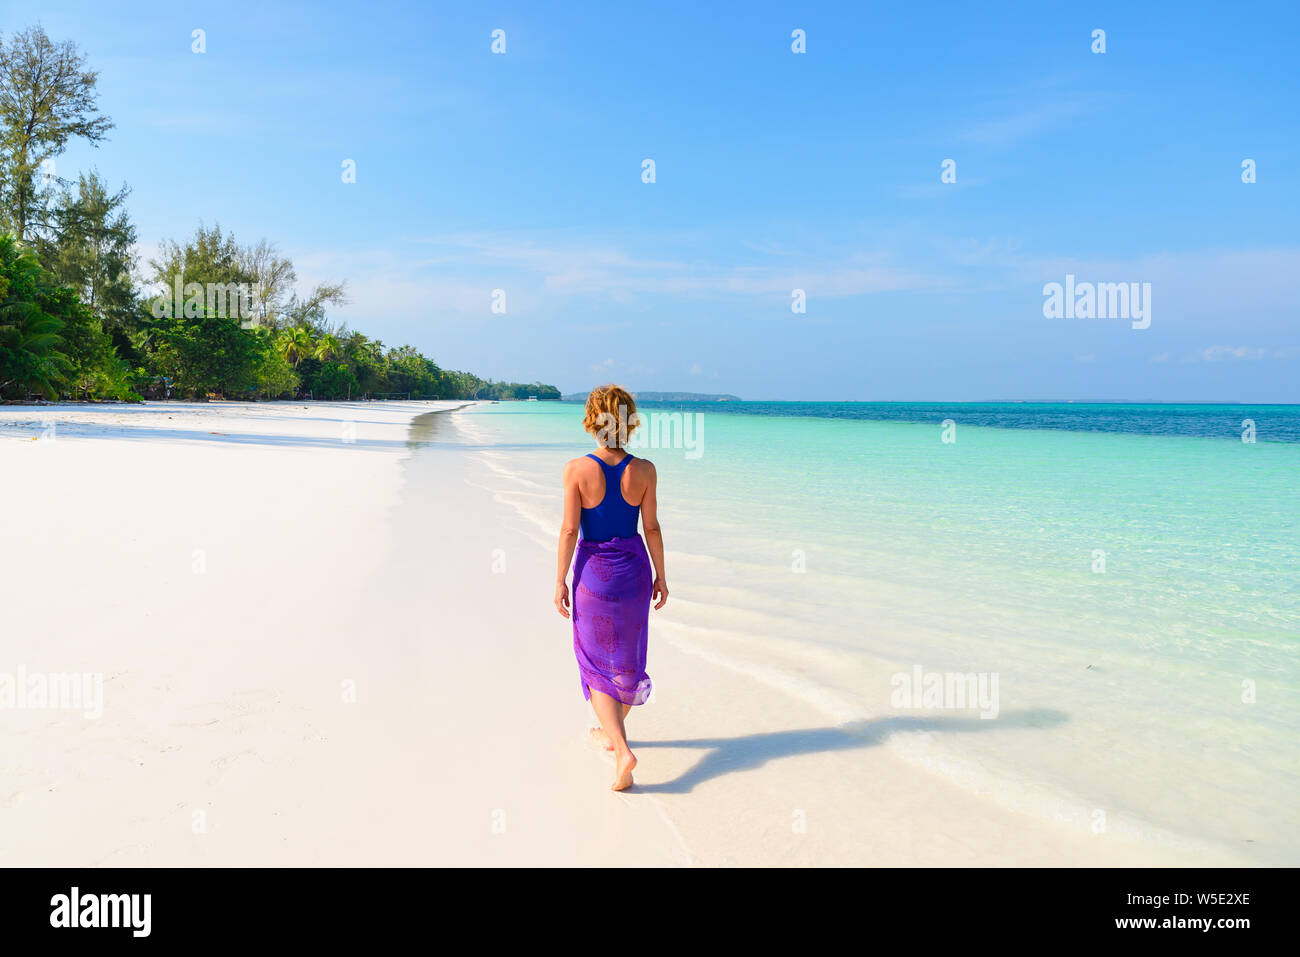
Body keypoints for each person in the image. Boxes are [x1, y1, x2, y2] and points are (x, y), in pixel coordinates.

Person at [554, 385, 668, 790]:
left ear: (591, 420)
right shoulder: (646, 470)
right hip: (634, 571)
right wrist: (662, 575)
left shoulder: (575, 470)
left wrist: (560, 580)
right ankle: (610, 734)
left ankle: (621, 748)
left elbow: (570, 530)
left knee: (594, 661)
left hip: (594, 574)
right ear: (629, 420)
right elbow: (651, 527)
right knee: (625, 660)